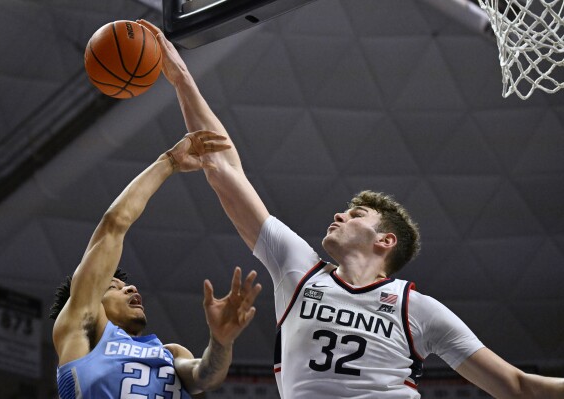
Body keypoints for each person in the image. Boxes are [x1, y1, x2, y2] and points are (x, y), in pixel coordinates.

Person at [137, 19, 564, 399]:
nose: (340, 215)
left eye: (356, 215)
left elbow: (516, 386)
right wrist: (181, 78)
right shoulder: (297, 269)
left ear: (385, 241)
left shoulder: (417, 308)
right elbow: (222, 165)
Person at [49, 130, 262, 398]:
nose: (130, 288)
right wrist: (169, 162)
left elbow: (205, 376)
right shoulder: (81, 331)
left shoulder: (171, 354)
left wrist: (221, 342)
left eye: (126, 284)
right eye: (113, 287)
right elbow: (114, 225)